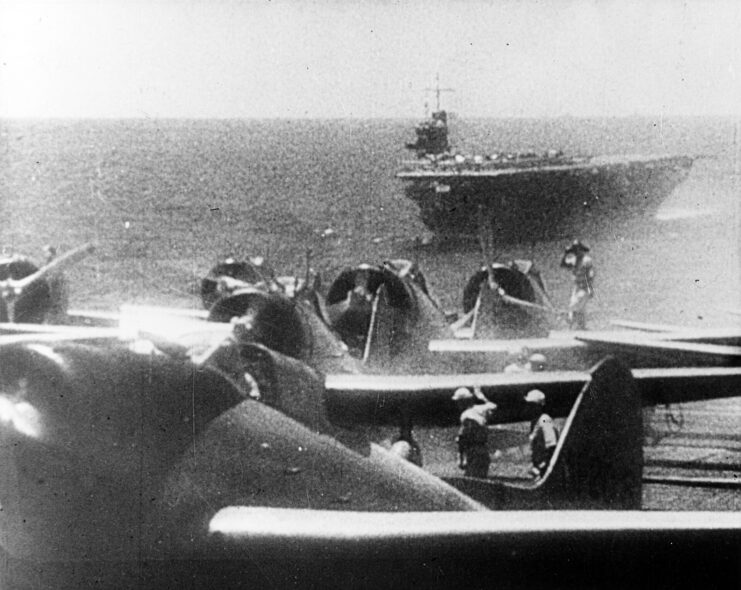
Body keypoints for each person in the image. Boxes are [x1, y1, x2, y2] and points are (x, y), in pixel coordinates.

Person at [452, 387, 497, 479]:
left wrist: (460, 458)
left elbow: (462, 438)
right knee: (481, 479)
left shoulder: (466, 416)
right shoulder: (480, 410)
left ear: (463, 402)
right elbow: (493, 406)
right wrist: (481, 396)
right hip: (484, 451)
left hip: (473, 453)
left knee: (472, 480)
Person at [524, 389, 559, 478]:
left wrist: (543, 466)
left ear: (538, 406)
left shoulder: (544, 419)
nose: (528, 408)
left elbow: (552, 445)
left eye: (531, 405)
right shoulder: (535, 421)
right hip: (539, 469)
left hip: (545, 470)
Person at [561, 240, 594, 329]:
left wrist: (589, 288)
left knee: (574, 305)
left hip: (584, 287)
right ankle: (580, 327)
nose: (577, 251)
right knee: (579, 308)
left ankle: (574, 326)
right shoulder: (573, 259)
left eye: (578, 249)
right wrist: (566, 253)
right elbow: (563, 265)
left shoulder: (587, 260)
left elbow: (589, 275)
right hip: (576, 287)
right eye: (575, 249)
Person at [43, 245, 70, 323]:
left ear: (51, 253)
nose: (45, 254)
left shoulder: (54, 262)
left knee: (56, 304)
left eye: (46, 252)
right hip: (52, 286)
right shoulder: (48, 262)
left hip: (56, 286)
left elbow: (55, 275)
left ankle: (58, 321)